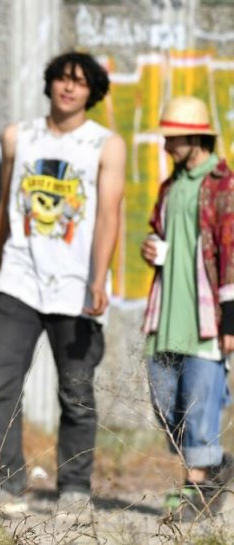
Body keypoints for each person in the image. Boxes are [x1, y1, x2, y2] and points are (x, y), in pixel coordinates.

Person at [0, 51, 125, 522]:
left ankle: (74, 488)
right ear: (49, 84)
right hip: (19, 281)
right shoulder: (20, 136)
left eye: (80, 82)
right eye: (62, 79)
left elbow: (109, 214)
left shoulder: (105, 144)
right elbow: (5, 203)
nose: (69, 88)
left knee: (76, 392)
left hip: (76, 286)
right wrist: (2, 264)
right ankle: (6, 482)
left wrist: (99, 277)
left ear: (92, 92)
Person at [140, 96, 234, 521]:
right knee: (165, 405)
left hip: (205, 317)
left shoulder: (222, 185)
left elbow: (231, 251)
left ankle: (197, 488)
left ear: (194, 138)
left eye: (172, 139)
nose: (166, 146)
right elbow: (160, 233)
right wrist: (151, 248)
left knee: (198, 405)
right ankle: (214, 465)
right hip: (166, 313)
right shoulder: (171, 185)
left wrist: (231, 318)